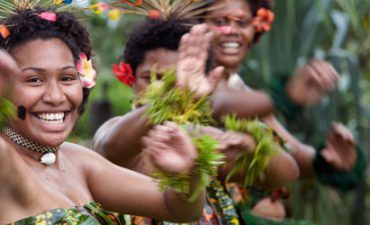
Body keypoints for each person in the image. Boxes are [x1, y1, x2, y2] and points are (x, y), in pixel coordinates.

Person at [0, 4, 208, 225]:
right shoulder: (6, 161)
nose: (56, 96)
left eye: (67, 78)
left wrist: (190, 174)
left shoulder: (77, 160)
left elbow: (177, 209)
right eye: (35, 79)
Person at [94, 17, 299, 225]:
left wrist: (251, 145)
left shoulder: (206, 137)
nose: (161, 88)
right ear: (131, 78)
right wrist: (175, 96)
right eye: (150, 78)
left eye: (173, 80)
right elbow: (108, 145)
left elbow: (287, 172)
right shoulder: (120, 134)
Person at [201, 0, 364, 223]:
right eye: (219, 22)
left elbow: (291, 151)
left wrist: (328, 161)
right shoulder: (193, 82)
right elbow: (218, 105)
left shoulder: (243, 90)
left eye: (243, 22)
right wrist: (283, 97)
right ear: (198, 26)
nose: (232, 31)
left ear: (255, 28)